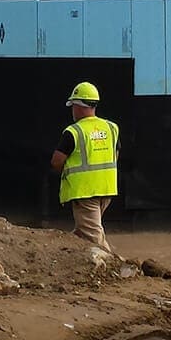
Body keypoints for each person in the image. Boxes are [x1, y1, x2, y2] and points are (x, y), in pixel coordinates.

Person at [50, 81, 119, 253]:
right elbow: (115, 153)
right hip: (106, 188)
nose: (72, 110)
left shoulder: (73, 132)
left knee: (94, 237)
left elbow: (56, 161)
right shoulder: (111, 127)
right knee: (83, 231)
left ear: (79, 106)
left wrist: (68, 175)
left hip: (84, 192)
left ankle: (116, 267)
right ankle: (66, 256)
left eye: (73, 106)